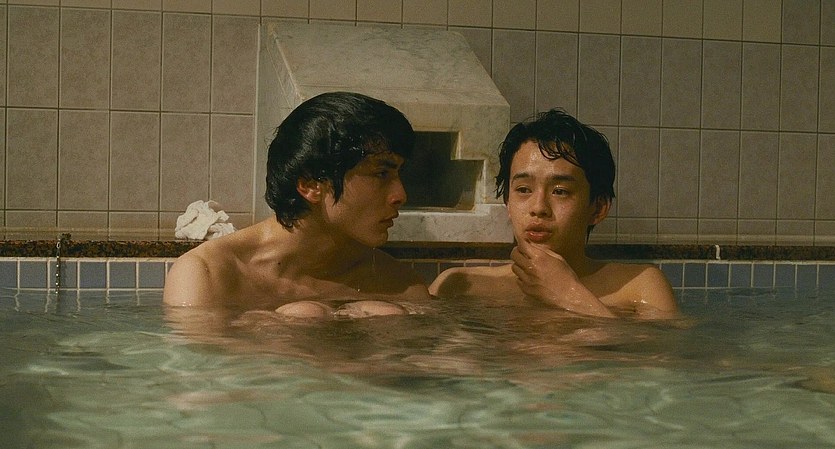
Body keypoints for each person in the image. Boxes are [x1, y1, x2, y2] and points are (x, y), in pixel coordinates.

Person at [164, 92, 430, 318]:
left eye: (399, 174)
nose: (400, 195)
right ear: (311, 184)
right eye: (381, 174)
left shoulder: (400, 287)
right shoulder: (208, 277)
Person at [429, 109, 679, 320]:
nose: (538, 208)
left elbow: (661, 359)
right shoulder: (459, 287)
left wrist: (568, 294)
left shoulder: (639, 287)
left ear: (598, 208)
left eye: (560, 191)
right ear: (507, 204)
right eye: (523, 190)